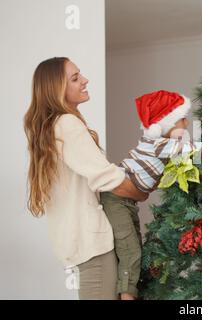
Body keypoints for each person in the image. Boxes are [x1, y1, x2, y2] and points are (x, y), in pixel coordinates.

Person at [23, 57, 147, 300]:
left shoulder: (50, 129)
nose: (85, 80)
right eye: (75, 78)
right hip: (93, 247)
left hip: (78, 243)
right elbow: (108, 179)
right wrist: (141, 191)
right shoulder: (66, 124)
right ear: (56, 89)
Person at [100, 90, 202, 300]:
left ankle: (124, 292)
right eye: (181, 120)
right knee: (130, 250)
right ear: (164, 124)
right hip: (115, 199)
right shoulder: (158, 144)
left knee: (132, 248)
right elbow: (193, 150)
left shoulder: (161, 143)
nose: (186, 124)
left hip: (127, 201)